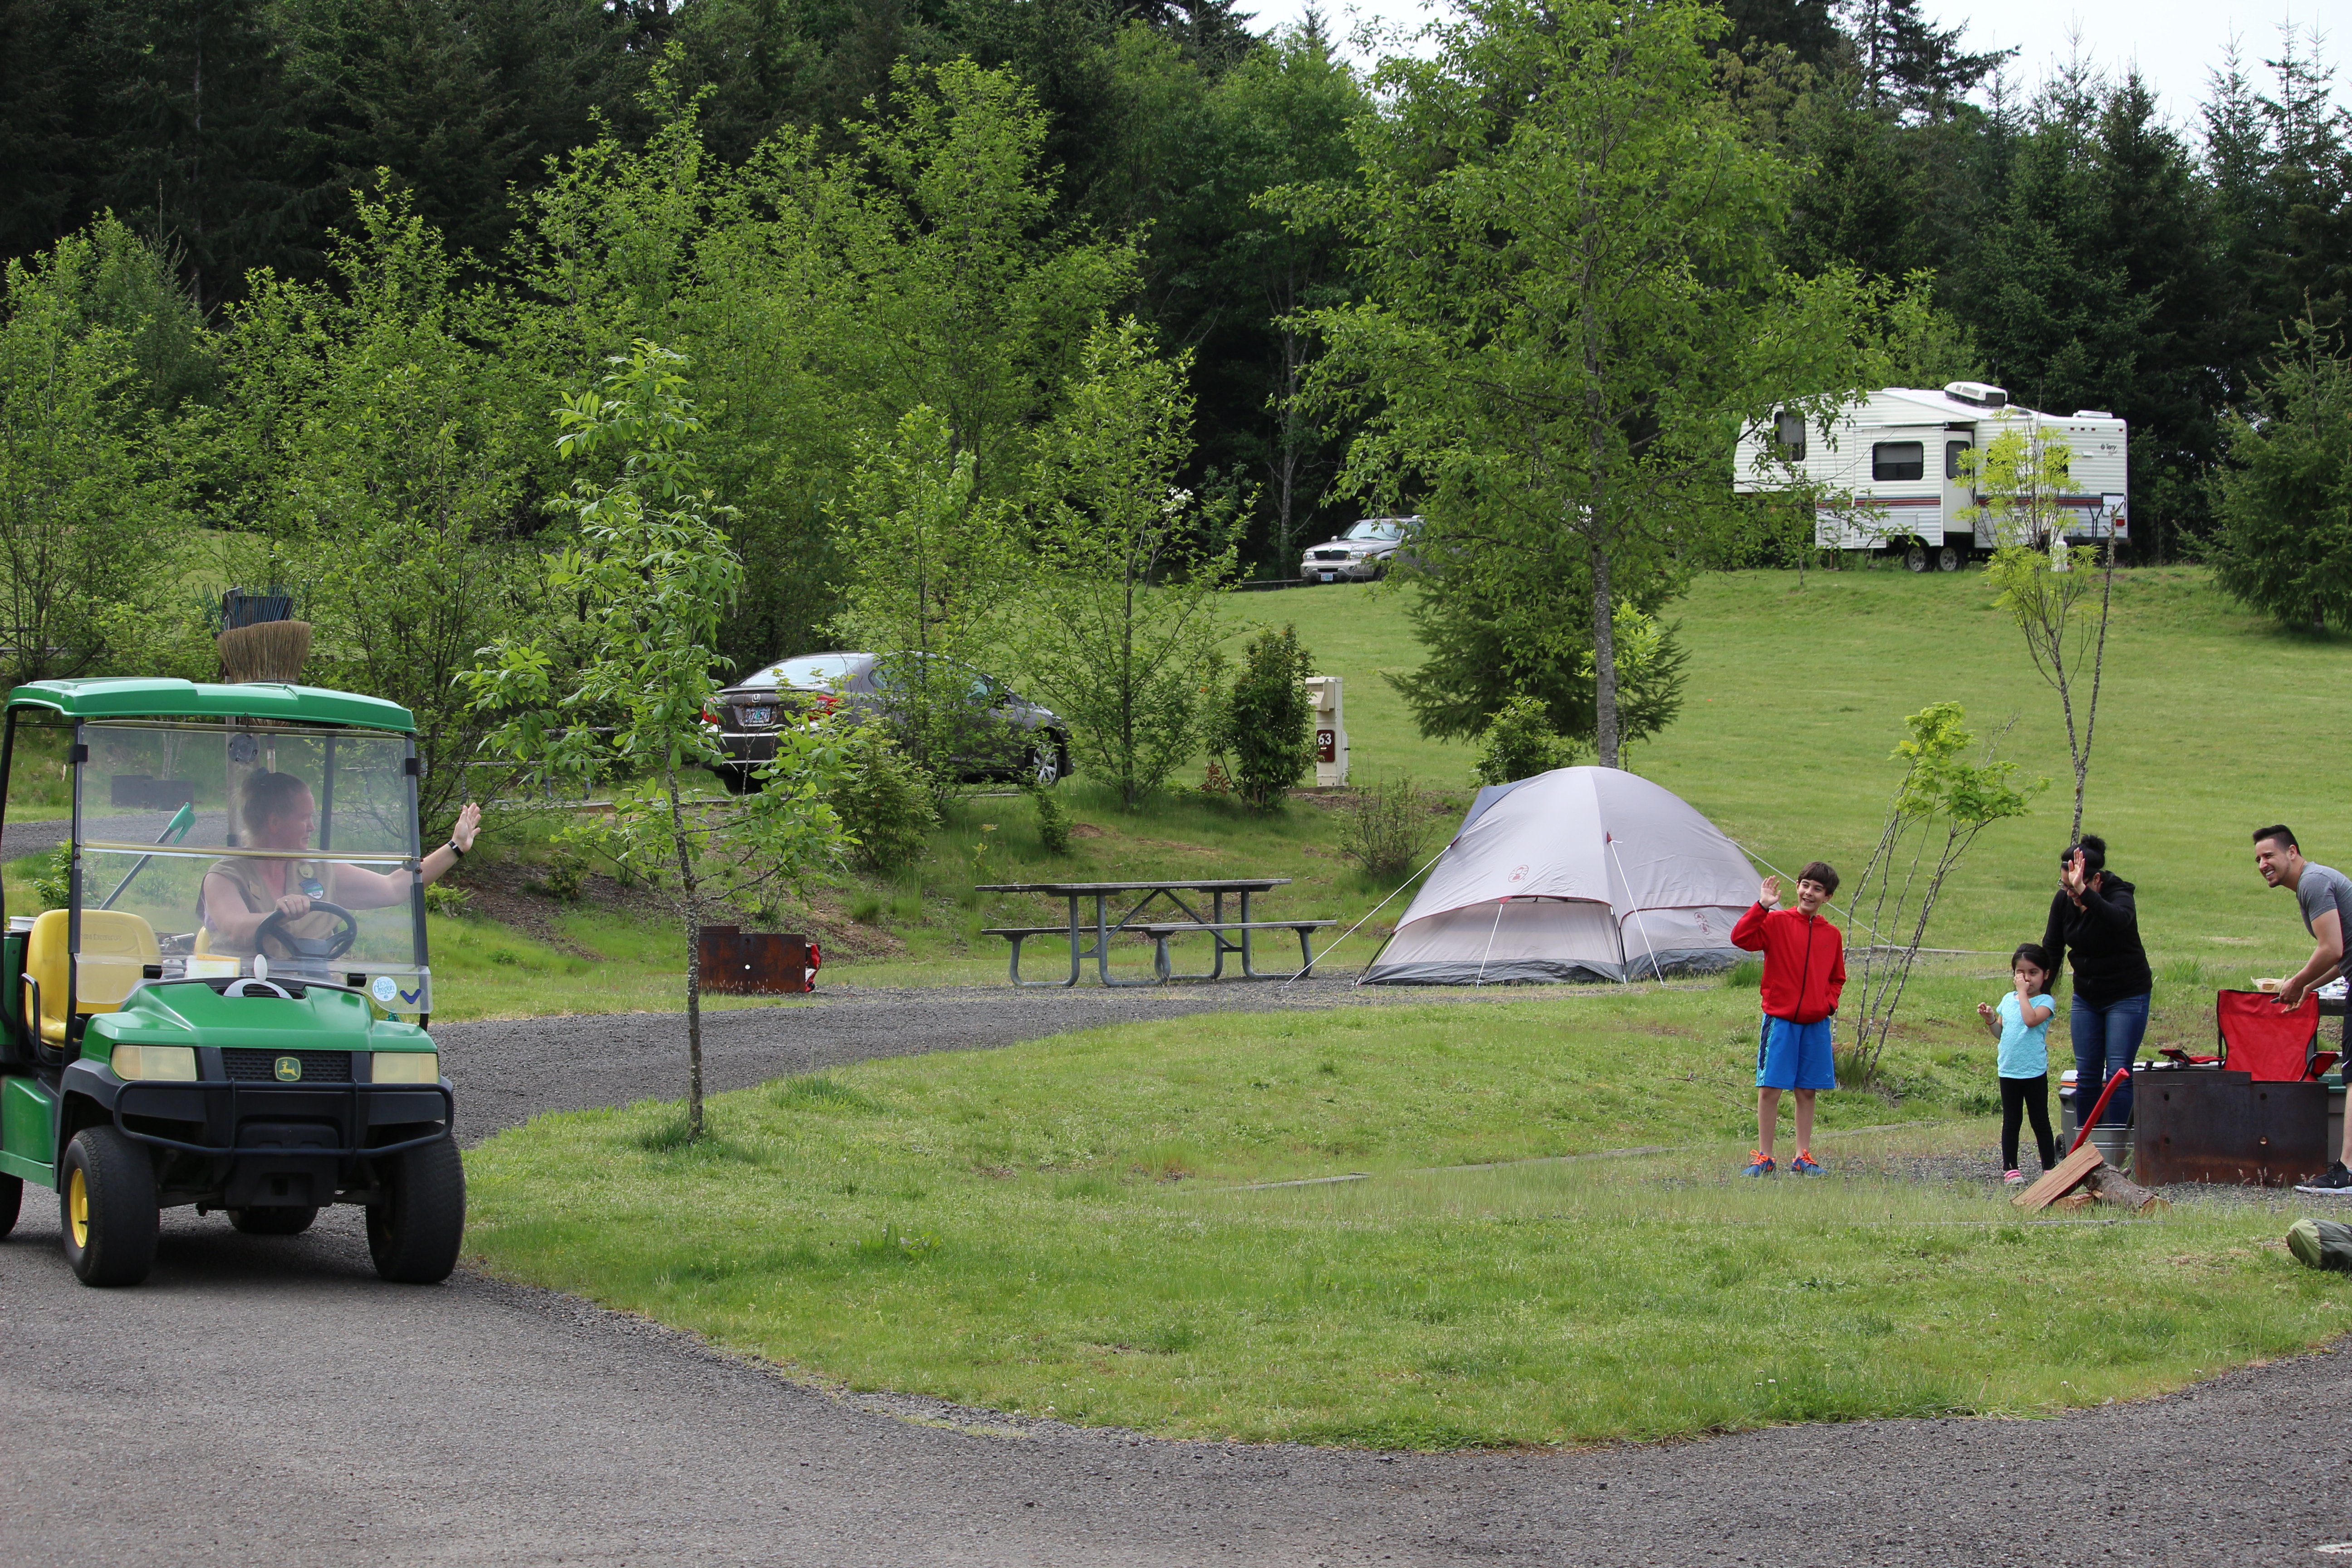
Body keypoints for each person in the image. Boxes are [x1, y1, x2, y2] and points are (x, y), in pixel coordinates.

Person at [201, 771, 480, 960]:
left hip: (314, 989)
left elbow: (393, 888)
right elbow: (235, 927)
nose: (312, 826)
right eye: (304, 818)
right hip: (243, 990)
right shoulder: (224, 876)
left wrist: (454, 848)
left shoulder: (321, 868)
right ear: (274, 822)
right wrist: (281, 914)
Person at [2249, 826, 2352, 1194]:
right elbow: (2344, 956)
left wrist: (2296, 982)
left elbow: (2332, 948)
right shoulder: (2313, 883)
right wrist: (2310, 987)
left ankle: (2347, 1172)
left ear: (2292, 852)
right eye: (2258, 859)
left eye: (2269, 856)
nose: (2263, 864)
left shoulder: (2313, 882)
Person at [1731, 862, 1845, 1177]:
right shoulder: (1776, 922)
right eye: (1806, 885)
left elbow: (1838, 977)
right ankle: (1764, 1156)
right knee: (1770, 1088)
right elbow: (1741, 938)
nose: (1810, 892)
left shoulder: (1832, 935)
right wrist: (1762, 907)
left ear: (1828, 897)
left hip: (1816, 1024)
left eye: (1818, 889)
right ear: (1797, 886)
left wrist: (1827, 1005)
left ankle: (1802, 1156)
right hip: (1780, 1021)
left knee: (1807, 1090)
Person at [2039, 833, 2152, 1141]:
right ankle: (2086, 1149)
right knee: (2087, 1074)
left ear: (2097, 880)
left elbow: (2118, 920)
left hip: (2126, 994)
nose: (2069, 893)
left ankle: (2116, 1148)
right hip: (2087, 995)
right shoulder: (2064, 900)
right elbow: (2052, 947)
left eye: (2074, 887)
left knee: (2118, 1073)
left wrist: (2085, 895)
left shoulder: (2120, 895)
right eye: (2065, 886)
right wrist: (2041, 990)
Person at [1978, 943, 2058, 1185]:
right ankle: (2010, 1168)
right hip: (2009, 1071)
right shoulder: (2008, 1000)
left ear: (2046, 975)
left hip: (2034, 1071)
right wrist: (1991, 1019)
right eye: (2020, 973)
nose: (2026, 979)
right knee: (2012, 1121)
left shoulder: (2046, 1002)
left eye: (2033, 973)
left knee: (2040, 1120)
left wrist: (2023, 994)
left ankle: (2049, 1167)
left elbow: (2031, 1020)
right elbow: (2001, 1033)